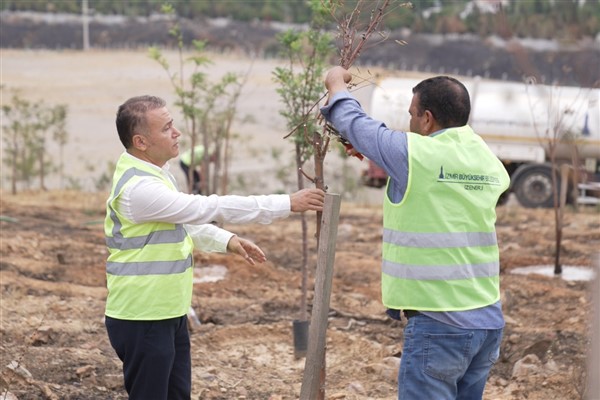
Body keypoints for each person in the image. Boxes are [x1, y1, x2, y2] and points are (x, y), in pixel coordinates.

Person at [104, 95, 325, 400]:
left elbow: (182, 223)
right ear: (141, 141)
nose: (177, 133)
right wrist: (285, 203)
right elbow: (206, 208)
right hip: (142, 316)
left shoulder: (156, 174)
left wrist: (228, 241)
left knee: (177, 394)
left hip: (168, 311)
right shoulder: (139, 189)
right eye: (167, 128)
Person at [321, 67, 510, 400]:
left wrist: (336, 84)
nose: (408, 123)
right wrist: (390, 159)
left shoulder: (415, 155)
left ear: (426, 118)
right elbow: (438, 190)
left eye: (411, 115)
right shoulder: (485, 157)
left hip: (440, 325)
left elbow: (359, 125)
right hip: (487, 322)